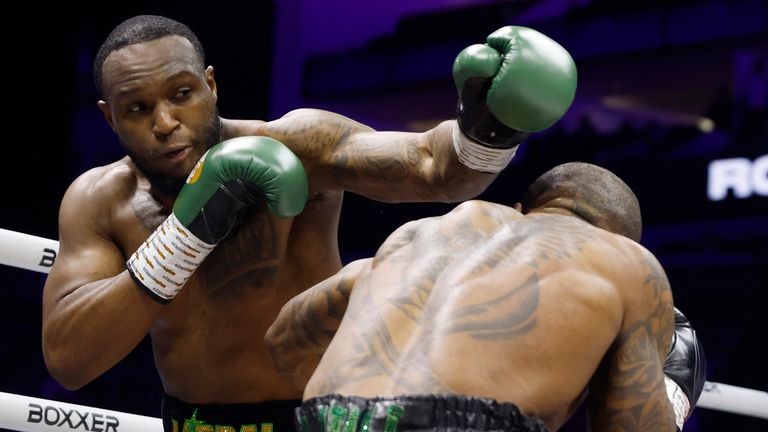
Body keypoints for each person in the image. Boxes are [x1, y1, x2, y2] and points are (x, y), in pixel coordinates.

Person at [41, 14, 577, 432]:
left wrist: (487, 130)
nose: (165, 123)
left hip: (324, 412)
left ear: (211, 85)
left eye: (182, 94)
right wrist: (184, 236)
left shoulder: (297, 146)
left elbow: (433, 170)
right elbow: (69, 359)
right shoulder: (99, 201)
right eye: (137, 108)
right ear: (109, 115)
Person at [266, 162, 706, 432]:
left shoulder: (417, 237)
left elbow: (283, 345)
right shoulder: (628, 263)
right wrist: (674, 394)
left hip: (329, 419)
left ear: (521, 211)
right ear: (622, 241)